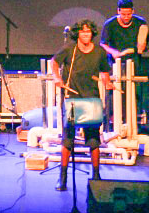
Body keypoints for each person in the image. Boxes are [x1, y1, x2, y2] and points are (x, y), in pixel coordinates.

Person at [51, 19, 112, 191]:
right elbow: (54, 62)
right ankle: (62, 177)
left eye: (88, 32)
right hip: (72, 98)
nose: (86, 34)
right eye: (83, 31)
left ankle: (96, 176)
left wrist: (108, 82)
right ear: (77, 33)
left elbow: (104, 71)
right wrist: (57, 77)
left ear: (92, 33)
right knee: (68, 138)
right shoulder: (69, 49)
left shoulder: (99, 51)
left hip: (91, 98)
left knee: (93, 139)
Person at [100, 0, 149, 130]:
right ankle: (113, 124)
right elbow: (103, 44)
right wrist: (113, 52)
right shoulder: (110, 24)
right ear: (118, 11)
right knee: (114, 93)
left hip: (133, 63)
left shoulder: (140, 23)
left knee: (133, 94)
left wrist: (142, 46)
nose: (126, 17)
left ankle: (131, 124)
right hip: (114, 64)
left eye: (128, 14)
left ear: (133, 11)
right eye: (123, 14)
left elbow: (143, 45)